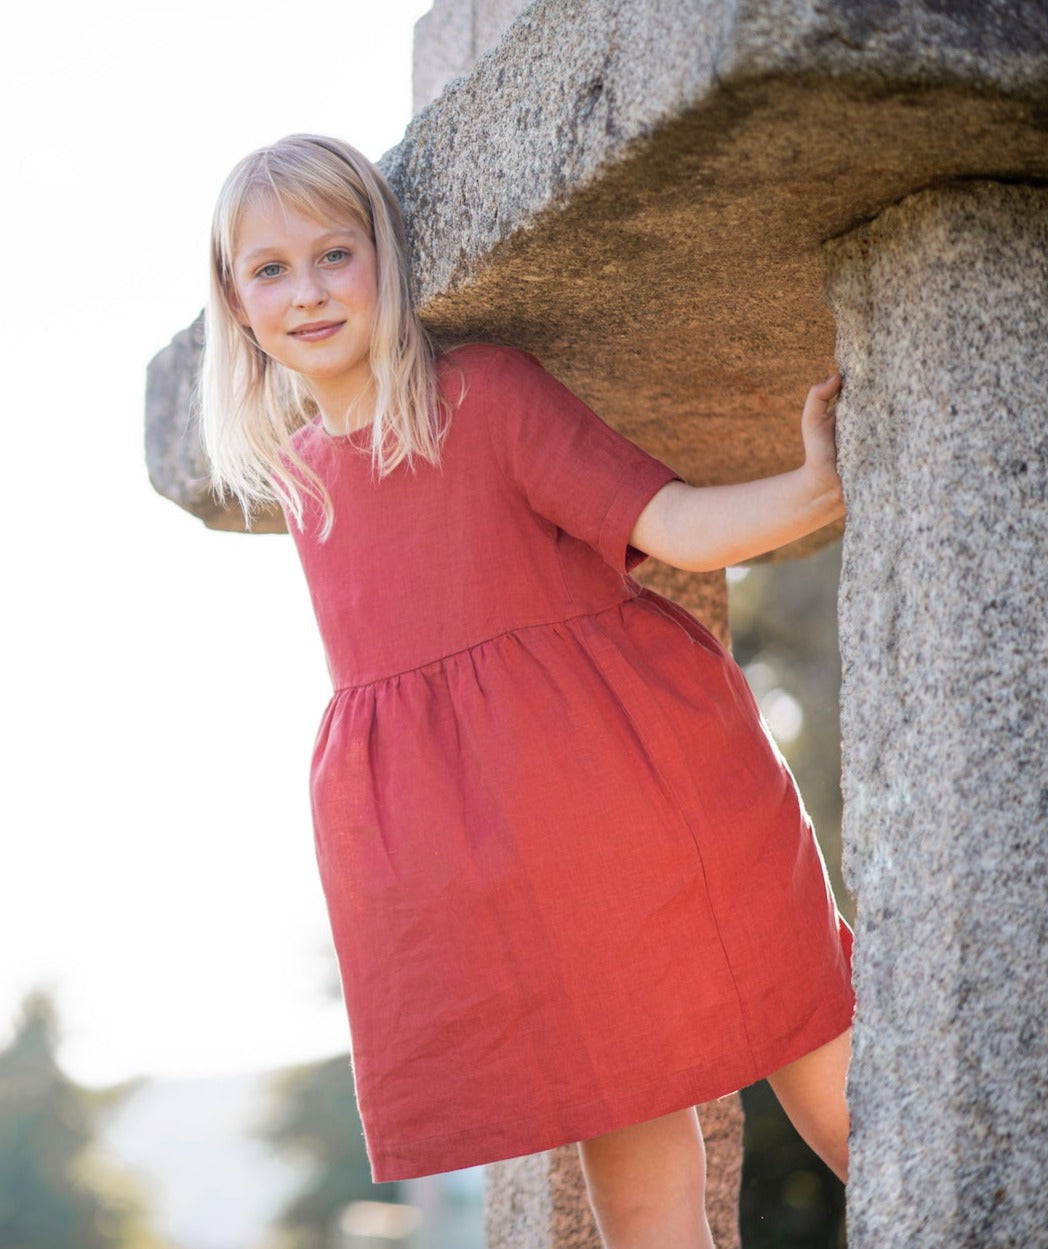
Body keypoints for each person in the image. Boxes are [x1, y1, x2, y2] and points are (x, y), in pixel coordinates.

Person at [199, 133, 854, 1249]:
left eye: (334, 254)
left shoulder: (486, 395)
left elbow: (671, 526)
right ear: (237, 302)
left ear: (383, 263)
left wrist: (810, 487)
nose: (306, 291)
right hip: (527, 881)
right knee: (633, 1180)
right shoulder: (304, 482)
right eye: (271, 269)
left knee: (831, 1073)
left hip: (656, 803)